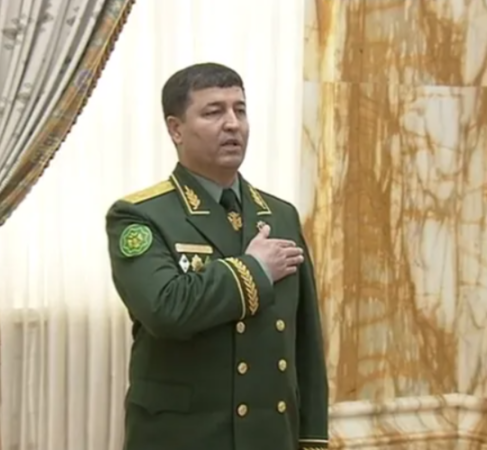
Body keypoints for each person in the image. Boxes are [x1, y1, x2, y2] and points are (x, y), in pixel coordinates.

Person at [105, 62, 328, 450]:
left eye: (240, 110)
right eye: (213, 112)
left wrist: (312, 439)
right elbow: (164, 308)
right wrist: (253, 269)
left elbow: (305, 341)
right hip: (183, 437)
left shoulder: (279, 215)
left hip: (269, 437)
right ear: (176, 129)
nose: (232, 124)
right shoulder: (140, 215)